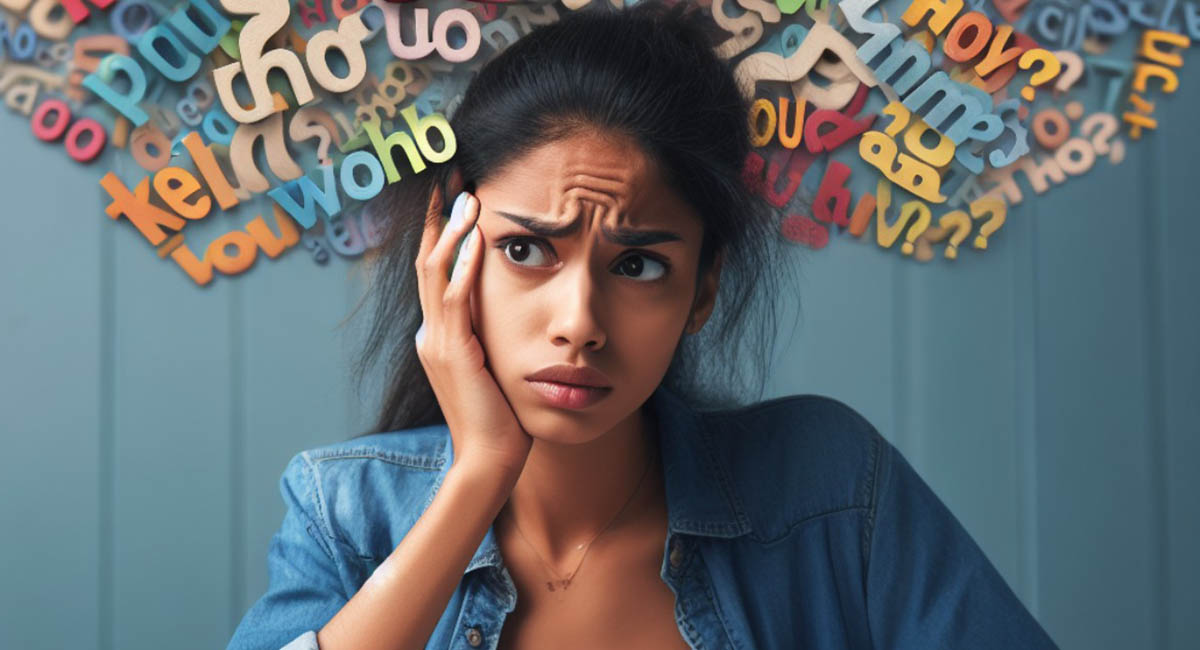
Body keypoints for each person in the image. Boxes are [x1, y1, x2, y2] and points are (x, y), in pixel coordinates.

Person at [227, 2, 1060, 648]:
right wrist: (478, 475)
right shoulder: (345, 511)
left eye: (638, 265)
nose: (579, 323)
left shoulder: (831, 494)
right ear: (447, 253)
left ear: (702, 288)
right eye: (525, 249)